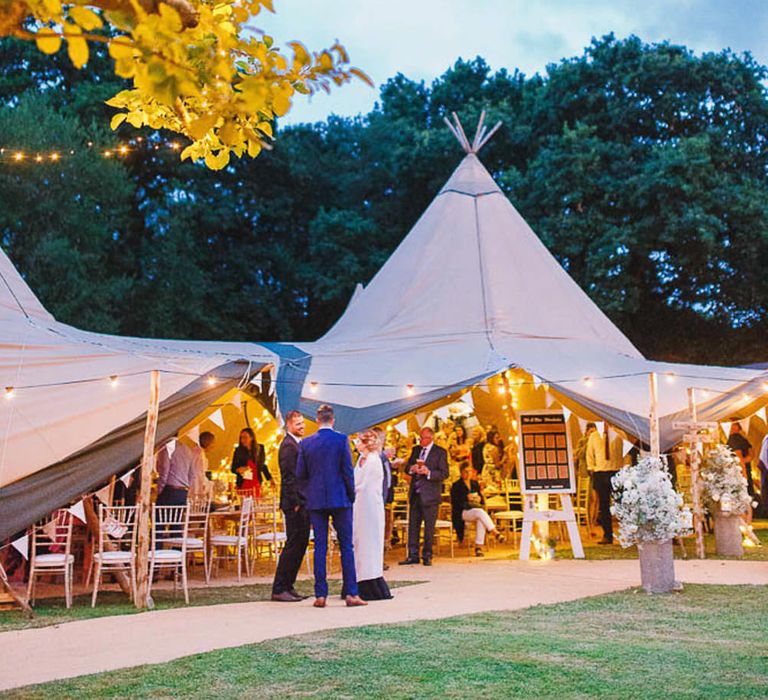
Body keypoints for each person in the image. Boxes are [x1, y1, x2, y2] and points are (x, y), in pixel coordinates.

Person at [296, 404, 366, 608]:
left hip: (316, 501)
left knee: (320, 546)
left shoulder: (306, 443)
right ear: (332, 420)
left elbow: (300, 475)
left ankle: (321, 594)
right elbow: (347, 471)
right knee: (346, 546)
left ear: (317, 420)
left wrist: (308, 495)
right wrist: (351, 495)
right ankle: (352, 593)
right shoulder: (341, 440)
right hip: (340, 499)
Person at [271, 411, 310, 602]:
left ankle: (289, 585)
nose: (302, 426)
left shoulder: (298, 444)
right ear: (289, 425)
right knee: (293, 544)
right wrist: (295, 503)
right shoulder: (288, 446)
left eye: (302, 423)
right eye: (298, 424)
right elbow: (289, 478)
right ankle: (280, 587)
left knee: (300, 544)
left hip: (302, 502)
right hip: (294, 504)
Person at [348, 430, 392, 600]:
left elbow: (366, 486)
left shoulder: (374, 461)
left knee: (369, 542)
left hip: (370, 507)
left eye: (358, 441)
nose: (355, 443)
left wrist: (350, 491)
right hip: (358, 506)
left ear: (366, 443)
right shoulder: (360, 459)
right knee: (359, 541)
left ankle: (370, 581)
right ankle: (359, 578)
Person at [399, 427, 449, 566]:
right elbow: (407, 466)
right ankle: (412, 555)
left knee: (429, 528)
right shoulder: (416, 450)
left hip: (430, 495)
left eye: (423, 438)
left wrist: (428, 472)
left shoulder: (440, 452)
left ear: (430, 438)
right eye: (419, 438)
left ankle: (427, 555)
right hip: (415, 493)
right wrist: (412, 469)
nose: (420, 440)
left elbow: (444, 473)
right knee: (413, 526)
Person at [451, 463, 504, 557]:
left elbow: (482, 499)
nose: (468, 474)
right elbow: (455, 502)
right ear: (461, 472)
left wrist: (479, 499)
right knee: (480, 513)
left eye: (469, 471)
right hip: (462, 512)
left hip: (475, 510)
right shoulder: (456, 485)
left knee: (480, 517)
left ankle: (478, 547)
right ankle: (495, 532)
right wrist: (466, 498)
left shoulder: (474, 484)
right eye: (465, 472)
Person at [157, 433, 215, 506]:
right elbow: (193, 473)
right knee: (178, 516)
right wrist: (187, 488)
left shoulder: (166, 447)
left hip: (170, 490)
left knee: (161, 515)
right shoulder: (186, 449)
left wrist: (160, 489)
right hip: (182, 493)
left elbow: (164, 468)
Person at [586, 422, 615, 544]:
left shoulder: (619, 433)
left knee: (624, 504)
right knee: (603, 506)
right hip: (600, 472)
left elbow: (626, 453)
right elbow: (590, 455)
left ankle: (628, 534)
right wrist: (592, 468)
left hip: (616, 471)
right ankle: (607, 535)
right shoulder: (594, 436)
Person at [231, 427, 271, 498]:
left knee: (255, 502)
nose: (243, 440)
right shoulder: (238, 451)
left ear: (252, 438)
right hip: (243, 482)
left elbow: (263, 465)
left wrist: (269, 478)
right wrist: (239, 469)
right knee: (244, 504)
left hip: (256, 482)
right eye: (241, 438)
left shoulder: (260, 449)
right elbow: (233, 468)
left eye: (245, 437)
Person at [189, 432, 216, 499]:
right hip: (196, 486)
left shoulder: (193, 451)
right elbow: (199, 473)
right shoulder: (200, 454)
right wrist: (207, 485)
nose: (214, 445)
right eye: (213, 443)